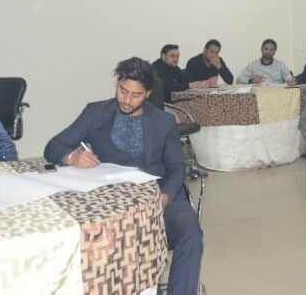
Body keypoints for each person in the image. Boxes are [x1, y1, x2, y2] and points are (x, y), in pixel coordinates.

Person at [44, 57, 202, 295]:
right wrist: (71, 157)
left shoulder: (164, 122)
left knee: (191, 236)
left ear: (148, 94)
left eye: (135, 95)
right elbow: (53, 146)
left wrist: (165, 196)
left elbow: (177, 168)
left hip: (158, 192)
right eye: (122, 91)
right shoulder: (95, 112)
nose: (126, 100)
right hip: (110, 199)